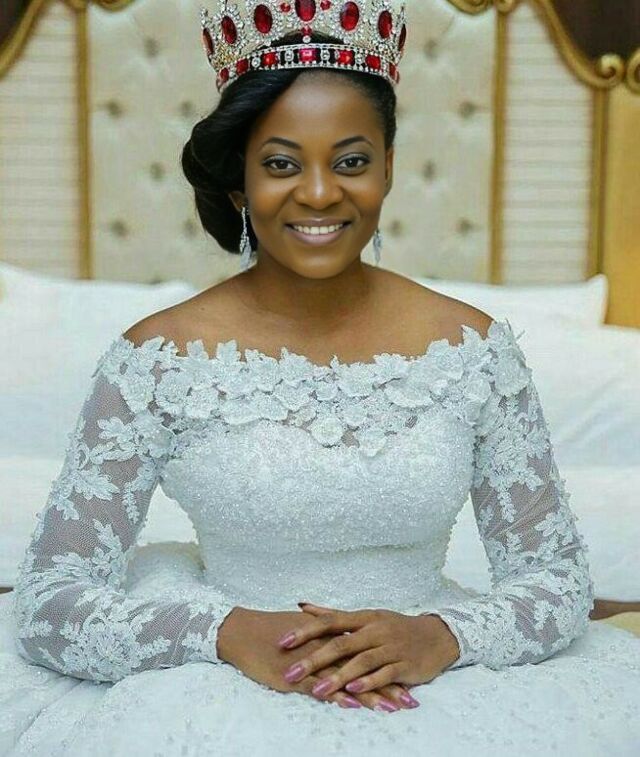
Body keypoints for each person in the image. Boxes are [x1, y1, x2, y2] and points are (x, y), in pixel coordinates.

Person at [2, 1, 640, 754]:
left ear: (388, 168)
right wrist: (225, 632)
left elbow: (555, 580)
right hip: (217, 678)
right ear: (239, 181)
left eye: (350, 161)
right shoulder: (156, 358)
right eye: (280, 164)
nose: (317, 193)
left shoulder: (473, 346)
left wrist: (443, 636)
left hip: (434, 674)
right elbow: (50, 601)